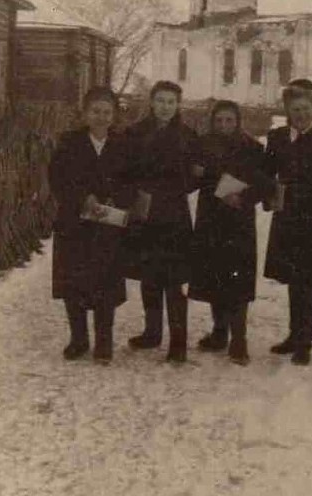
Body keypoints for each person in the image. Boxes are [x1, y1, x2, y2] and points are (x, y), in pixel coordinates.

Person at [49, 86, 132, 365]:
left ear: (114, 116)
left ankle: (104, 343)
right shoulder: (69, 143)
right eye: (95, 111)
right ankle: (79, 339)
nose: (101, 117)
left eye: (107, 112)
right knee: (74, 283)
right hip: (74, 224)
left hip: (107, 226)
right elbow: (58, 178)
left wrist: (112, 199)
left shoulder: (122, 145)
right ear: (85, 113)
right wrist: (83, 198)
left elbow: (130, 182)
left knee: (105, 285)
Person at [263, 79, 312, 366]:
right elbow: (266, 174)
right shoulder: (277, 137)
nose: (301, 114)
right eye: (295, 109)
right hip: (287, 219)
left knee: (307, 282)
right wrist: (269, 196)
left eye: (306, 108)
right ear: (287, 109)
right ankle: (293, 336)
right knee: (292, 281)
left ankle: (304, 344)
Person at [188, 100, 274, 366]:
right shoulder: (202, 145)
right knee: (214, 276)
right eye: (219, 120)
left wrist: (243, 197)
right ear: (213, 122)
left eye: (229, 120)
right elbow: (193, 181)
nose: (224, 125)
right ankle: (219, 331)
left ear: (238, 122)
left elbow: (265, 184)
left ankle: (239, 339)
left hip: (239, 223)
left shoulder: (252, 147)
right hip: (211, 220)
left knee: (237, 280)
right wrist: (197, 173)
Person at [123, 81, 200, 364]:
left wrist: (173, 186)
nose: (165, 107)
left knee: (174, 279)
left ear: (178, 104)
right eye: (160, 101)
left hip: (174, 215)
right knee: (149, 275)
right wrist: (139, 191)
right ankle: (152, 332)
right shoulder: (135, 133)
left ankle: (178, 342)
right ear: (151, 103)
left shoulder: (188, 136)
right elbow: (125, 171)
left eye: (171, 101)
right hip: (145, 213)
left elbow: (195, 177)